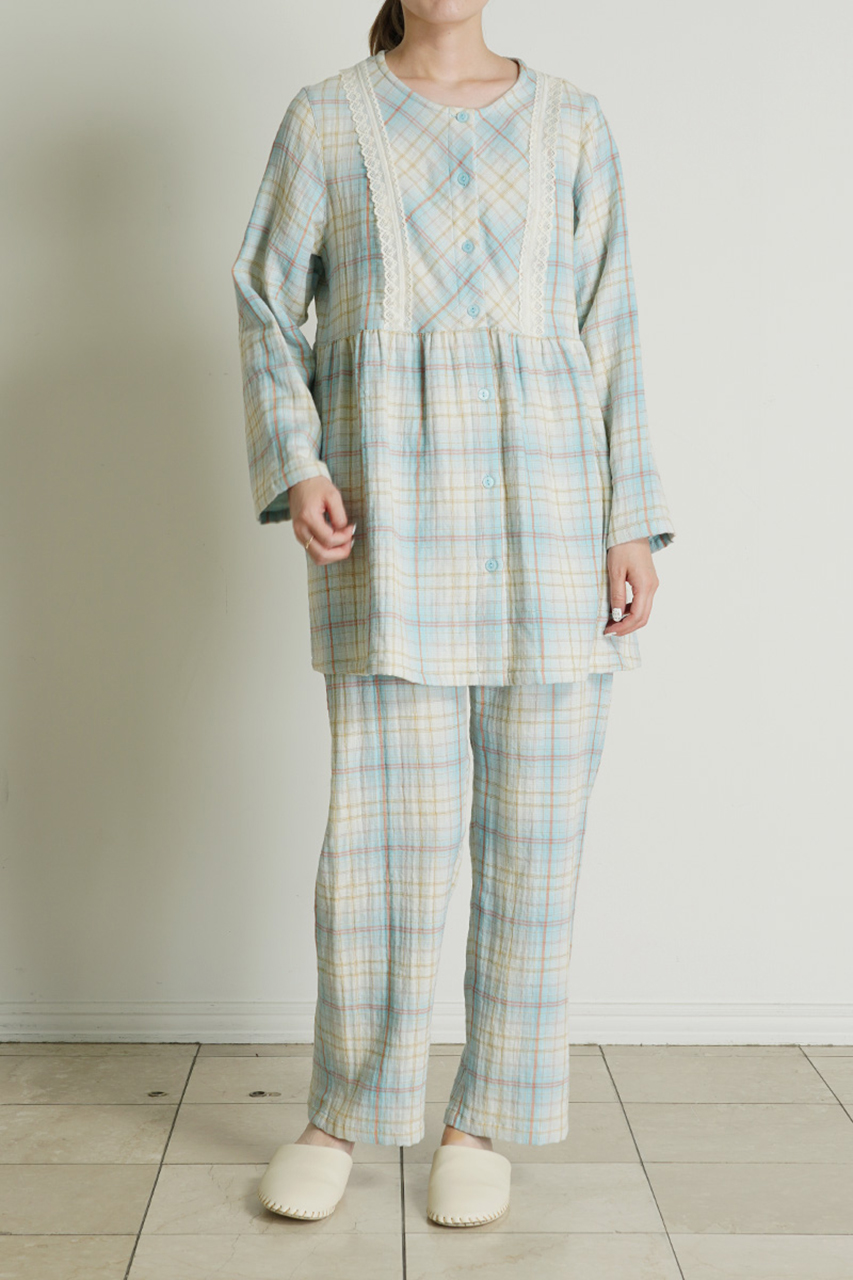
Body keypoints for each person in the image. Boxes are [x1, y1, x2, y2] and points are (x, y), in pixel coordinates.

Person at [230, 0, 676, 1229]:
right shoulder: (327, 120)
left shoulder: (572, 123)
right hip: (392, 527)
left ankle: (481, 1117)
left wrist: (628, 521)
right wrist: (298, 462)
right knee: (382, 845)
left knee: (536, 837)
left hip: (553, 523)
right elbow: (264, 301)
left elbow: (613, 324)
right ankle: (343, 1110)